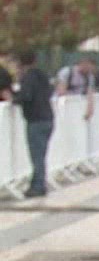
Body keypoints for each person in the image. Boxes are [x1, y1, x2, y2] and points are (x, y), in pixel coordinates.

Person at [13, 51, 54, 197]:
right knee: (41, 154)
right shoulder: (42, 76)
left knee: (37, 155)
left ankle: (38, 186)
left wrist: (14, 99)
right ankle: (37, 183)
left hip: (35, 120)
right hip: (48, 117)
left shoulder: (28, 78)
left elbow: (26, 96)